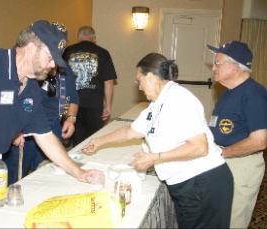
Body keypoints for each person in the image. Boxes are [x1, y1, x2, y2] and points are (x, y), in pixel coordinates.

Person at [0, 20, 102, 227]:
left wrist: (78, 172)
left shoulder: (31, 89)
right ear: (31, 48)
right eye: (50, 58)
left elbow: (45, 136)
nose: (53, 66)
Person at [83, 53, 234, 228]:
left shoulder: (179, 100)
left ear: (151, 77)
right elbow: (130, 132)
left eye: (138, 79)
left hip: (203, 183)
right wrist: (99, 140)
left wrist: (155, 158)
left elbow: (200, 148)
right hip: (190, 185)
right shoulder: (157, 104)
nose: (139, 86)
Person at [4, 23, 79, 185]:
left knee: (47, 172)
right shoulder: (28, 67)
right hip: (23, 125)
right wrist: (15, 128)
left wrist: (71, 118)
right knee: (16, 175)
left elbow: (73, 97)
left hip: (51, 124)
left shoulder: (63, 70)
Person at [207, 40, 267, 228]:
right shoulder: (227, 93)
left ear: (234, 66)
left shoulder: (253, 93)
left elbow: (259, 142)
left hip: (241, 166)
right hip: (224, 162)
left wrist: (221, 153)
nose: (213, 68)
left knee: (233, 221)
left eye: (218, 63)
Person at [63, 26, 117, 146]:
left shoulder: (68, 52)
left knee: (76, 137)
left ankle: (77, 160)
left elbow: (60, 77)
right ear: (94, 38)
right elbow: (108, 81)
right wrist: (107, 105)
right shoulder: (103, 53)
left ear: (78, 38)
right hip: (94, 102)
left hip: (72, 102)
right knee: (94, 138)